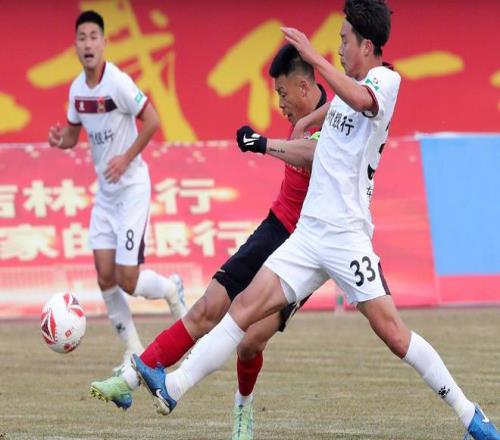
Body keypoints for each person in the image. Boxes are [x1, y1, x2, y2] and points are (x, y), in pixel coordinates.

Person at [130, 2, 500, 439]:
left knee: (394, 335)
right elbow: (339, 107)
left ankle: (470, 415)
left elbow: (361, 100)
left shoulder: (385, 80)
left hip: (346, 236)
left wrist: (313, 57)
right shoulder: (349, 90)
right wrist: (307, 117)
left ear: (366, 45)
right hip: (308, 234)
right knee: (244, 310)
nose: (338, 48)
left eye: (344, 40)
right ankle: (173, 387)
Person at [90, 43, 327, 439]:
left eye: (283, 94)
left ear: (304, 87)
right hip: (274, 228)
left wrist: (264, 144)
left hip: (308, 245)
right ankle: (129, 379)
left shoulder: (335, 118)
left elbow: (312, 153)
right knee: (207, 307)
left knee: (250, 342)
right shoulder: (309, 112)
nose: (280, 104)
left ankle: (243, 409)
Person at [48, 10, 187, 373]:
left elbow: (153, 120)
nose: (88, 44)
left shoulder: (119, 83)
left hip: (132, 190)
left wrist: (126, 157)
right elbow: (73, 135)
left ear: (104, 43)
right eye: (82, 38)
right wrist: (60, 140)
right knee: (104, 276)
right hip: (106, 195)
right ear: (75, 46)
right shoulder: (77, 90)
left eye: (94, 37)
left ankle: (171, 289)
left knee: (128, 280)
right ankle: (133, 350)